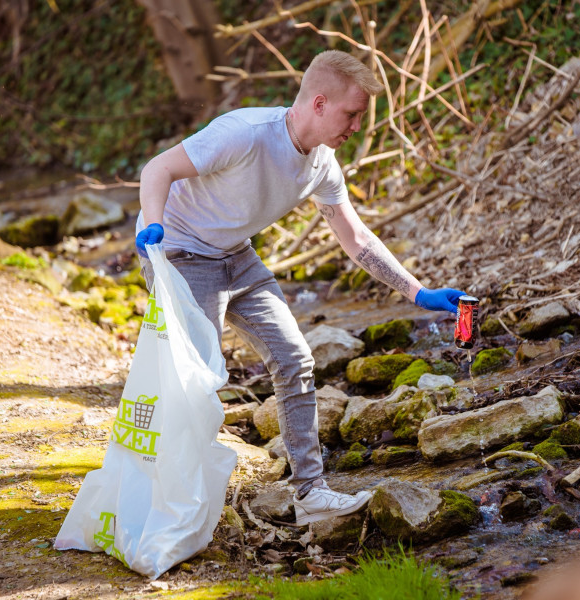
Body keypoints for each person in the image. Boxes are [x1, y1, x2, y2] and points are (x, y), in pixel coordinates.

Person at [134, 50, 465, 526]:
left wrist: (417, 292)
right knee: (196, 379)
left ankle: (310, 493)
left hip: (236, 255)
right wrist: (156, 226)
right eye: (351, 114)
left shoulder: (323, 166)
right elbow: (156, 170)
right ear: (319, 103)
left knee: (295, 359)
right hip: (179, 251)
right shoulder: (243, 134)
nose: (355, 126)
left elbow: (355, 238)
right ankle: (171, 499)